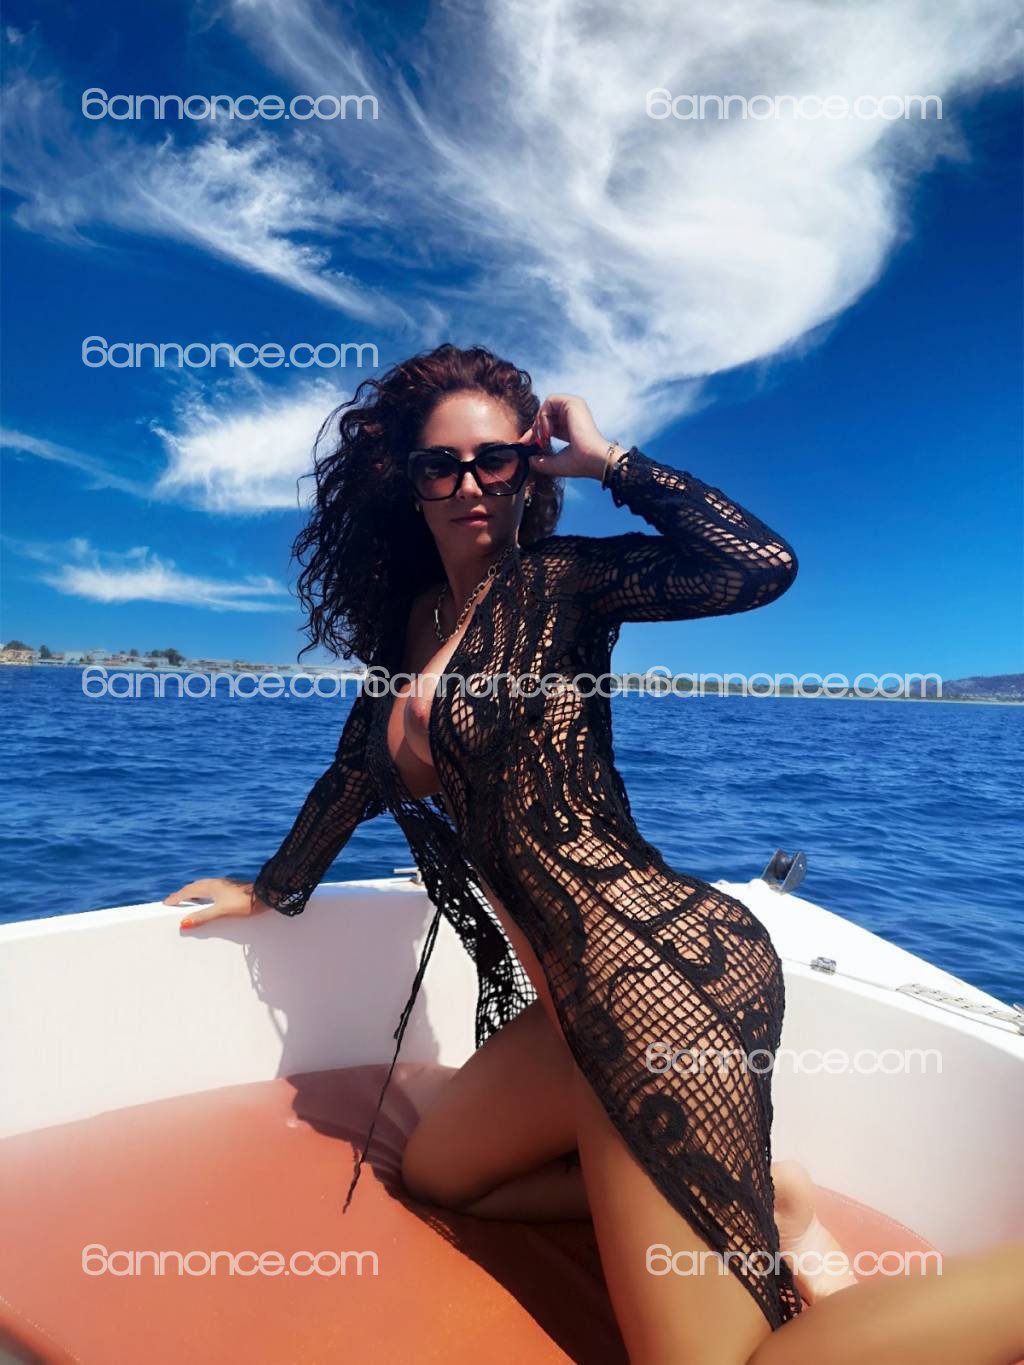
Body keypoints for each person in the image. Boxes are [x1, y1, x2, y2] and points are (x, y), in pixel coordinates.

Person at [165, 345, 1024, 1364]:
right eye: (442, 465)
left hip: (658, 980)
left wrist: (611, 461)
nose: (471, 484)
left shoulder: (561, 582)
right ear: (409, 480)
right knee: (441, 1174)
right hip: (570, 1006)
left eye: (496, 460)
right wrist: (272, 888)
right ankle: (763, 1200)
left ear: (527, 471)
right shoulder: (417, 623)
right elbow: (355, 773)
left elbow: (757, 567)